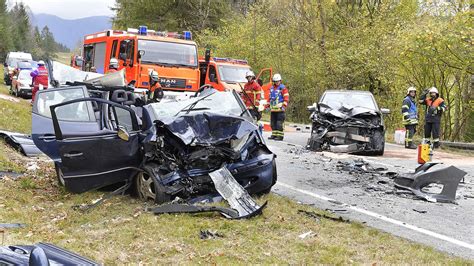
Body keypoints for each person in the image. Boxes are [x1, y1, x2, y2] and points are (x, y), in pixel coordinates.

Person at [267, 73, 289, 141]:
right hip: (273, 110)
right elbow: (270, 98)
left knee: (279, 123)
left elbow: (286, 98)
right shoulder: (272, 88)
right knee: (273, 123)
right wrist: (267, 105)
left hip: (280, 110)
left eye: (278, 81)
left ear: (280, 81)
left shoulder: (283, 88)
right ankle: (274, 134)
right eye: (275, 81)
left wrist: (284, 106)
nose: (277, 82)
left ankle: (280, 136)